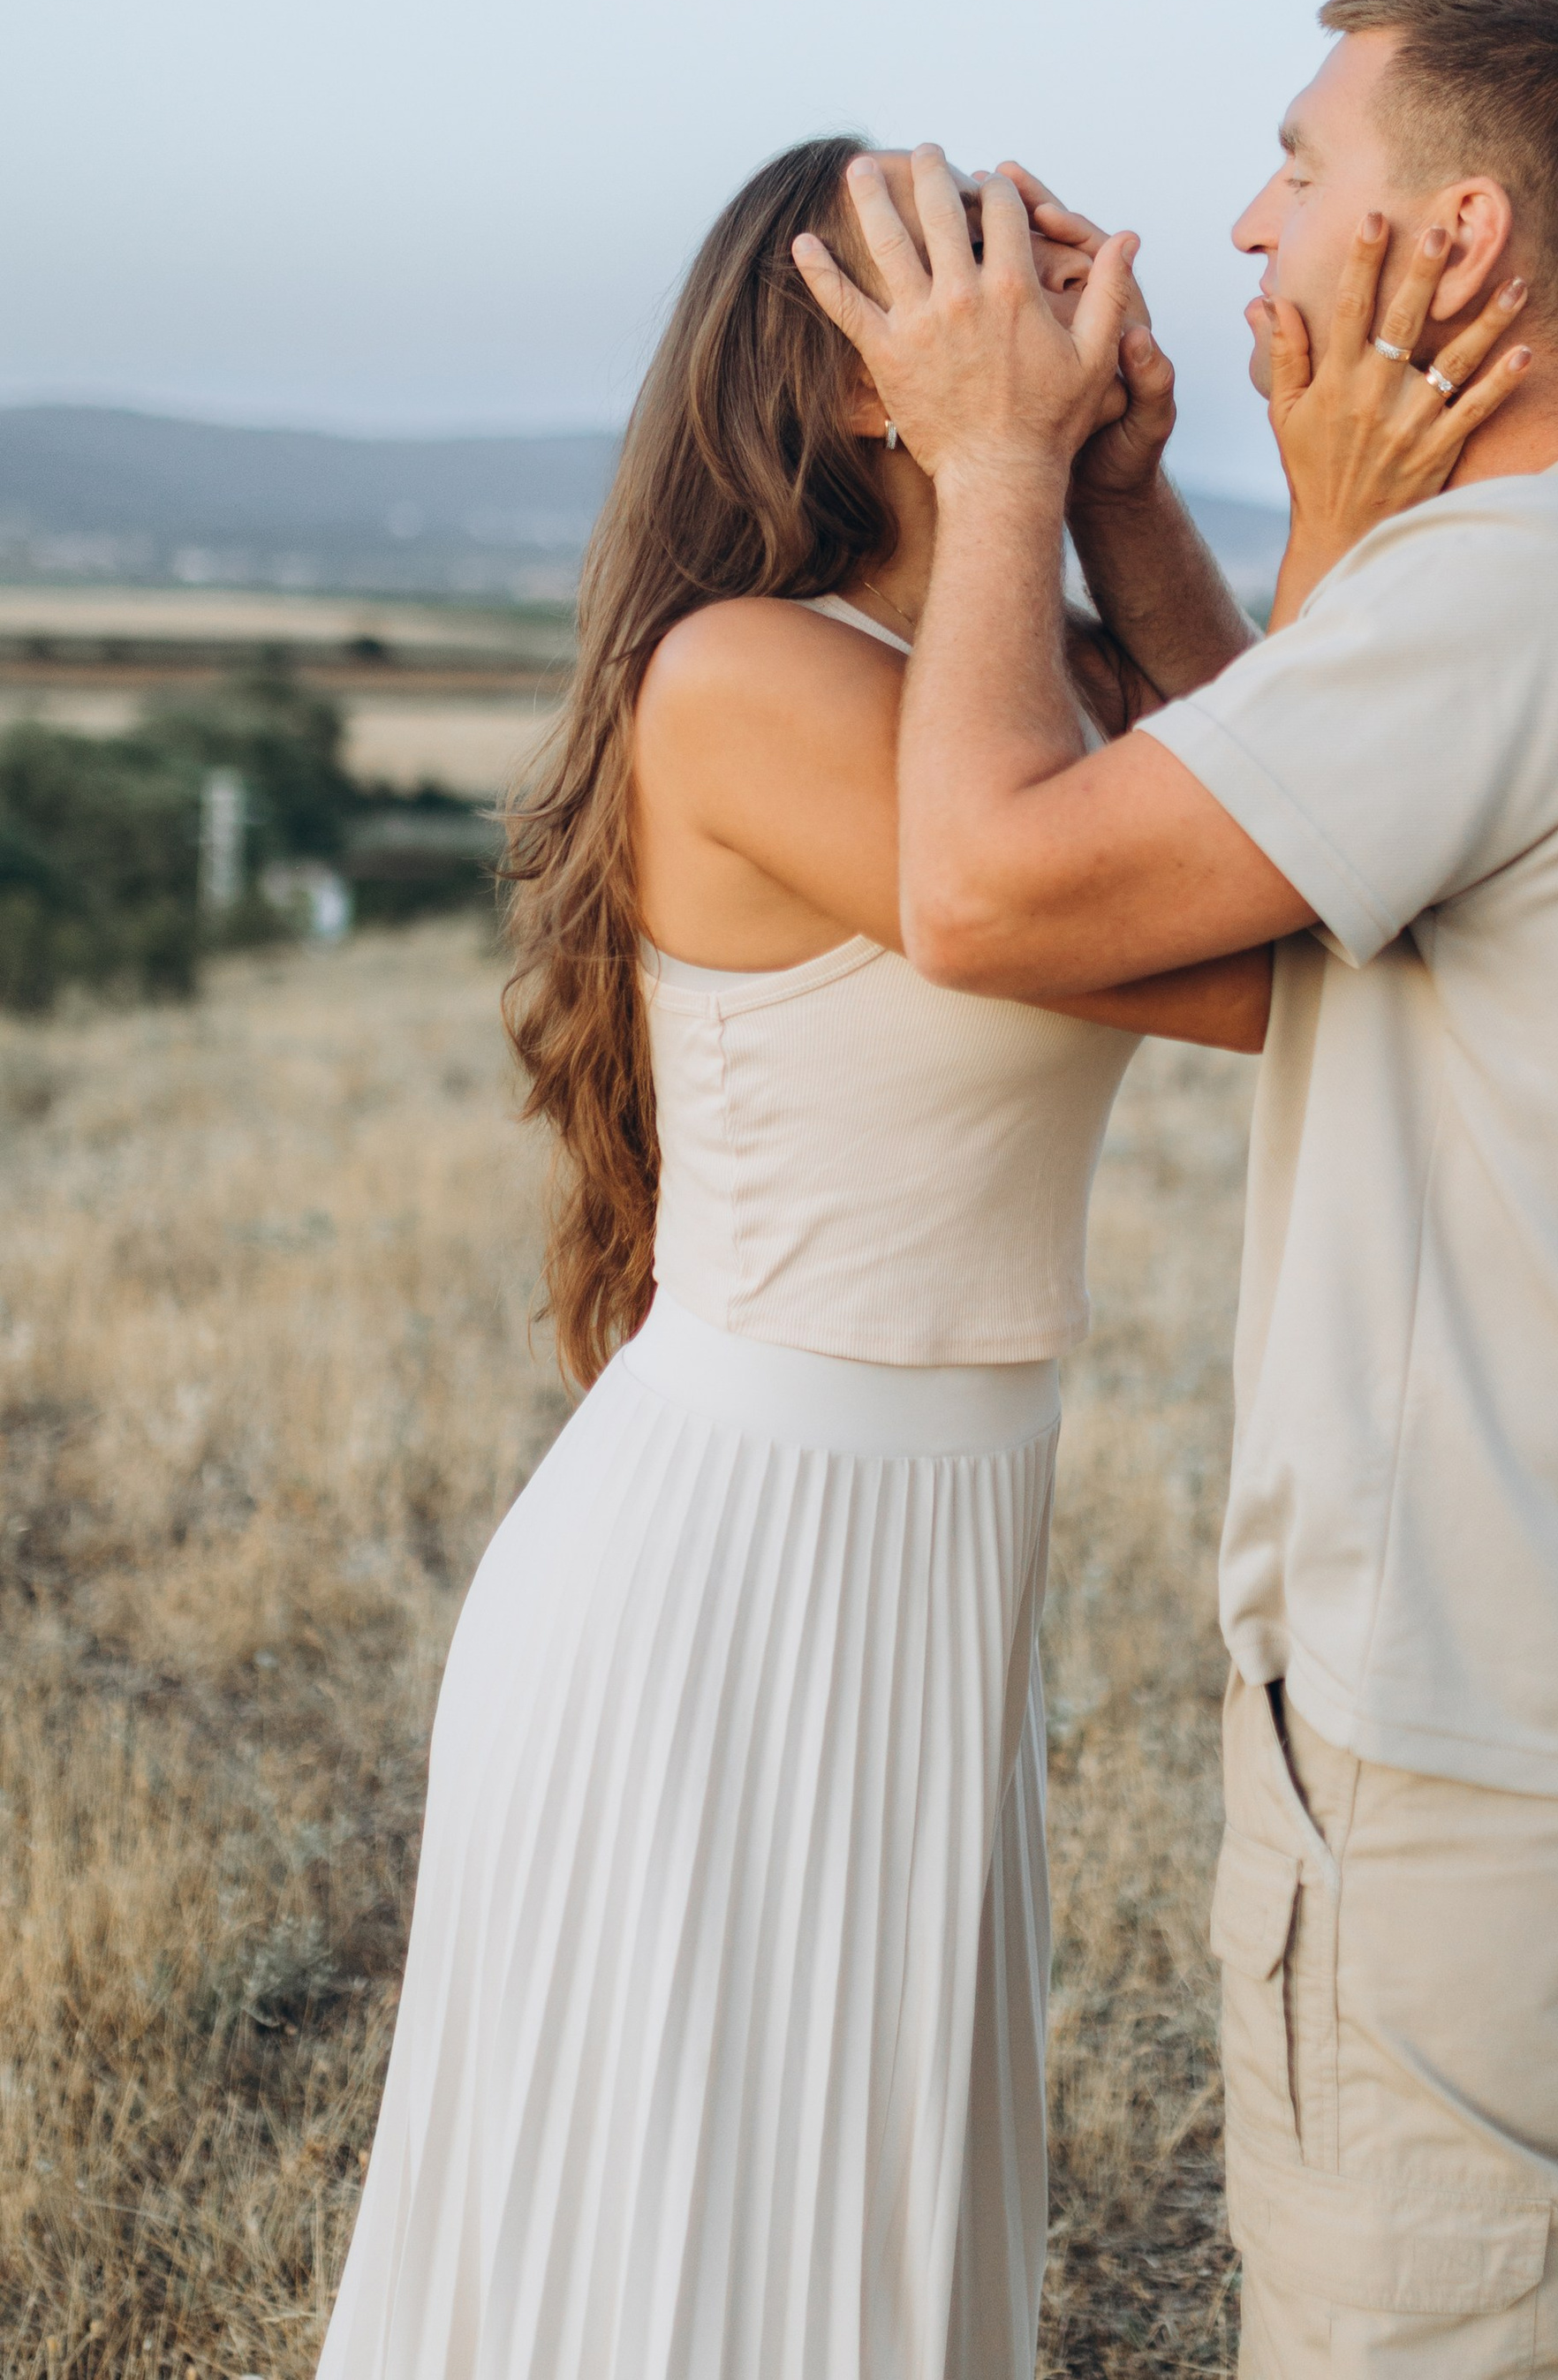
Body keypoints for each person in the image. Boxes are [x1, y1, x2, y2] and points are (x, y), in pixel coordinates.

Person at [791, 0, 1558, 2380]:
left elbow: (987, 890)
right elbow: (1299, 841)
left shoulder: (1511, 595)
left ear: (1456, 233)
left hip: (1459, 1739)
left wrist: (994, 462)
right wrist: (1134, 506)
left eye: (1300, 164)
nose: (1248, 220)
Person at [316, 135, 1270, 2380]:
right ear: (858, 373)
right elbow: (1273, 962)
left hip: (926, 1551)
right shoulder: (742, 675)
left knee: (850, 2246)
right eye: (991, 262)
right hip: (725, 1579)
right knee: (683, 2271)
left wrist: (1122, 497)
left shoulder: (1019, 686)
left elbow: (1310, 805)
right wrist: (1011, 466)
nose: (1071, 281)